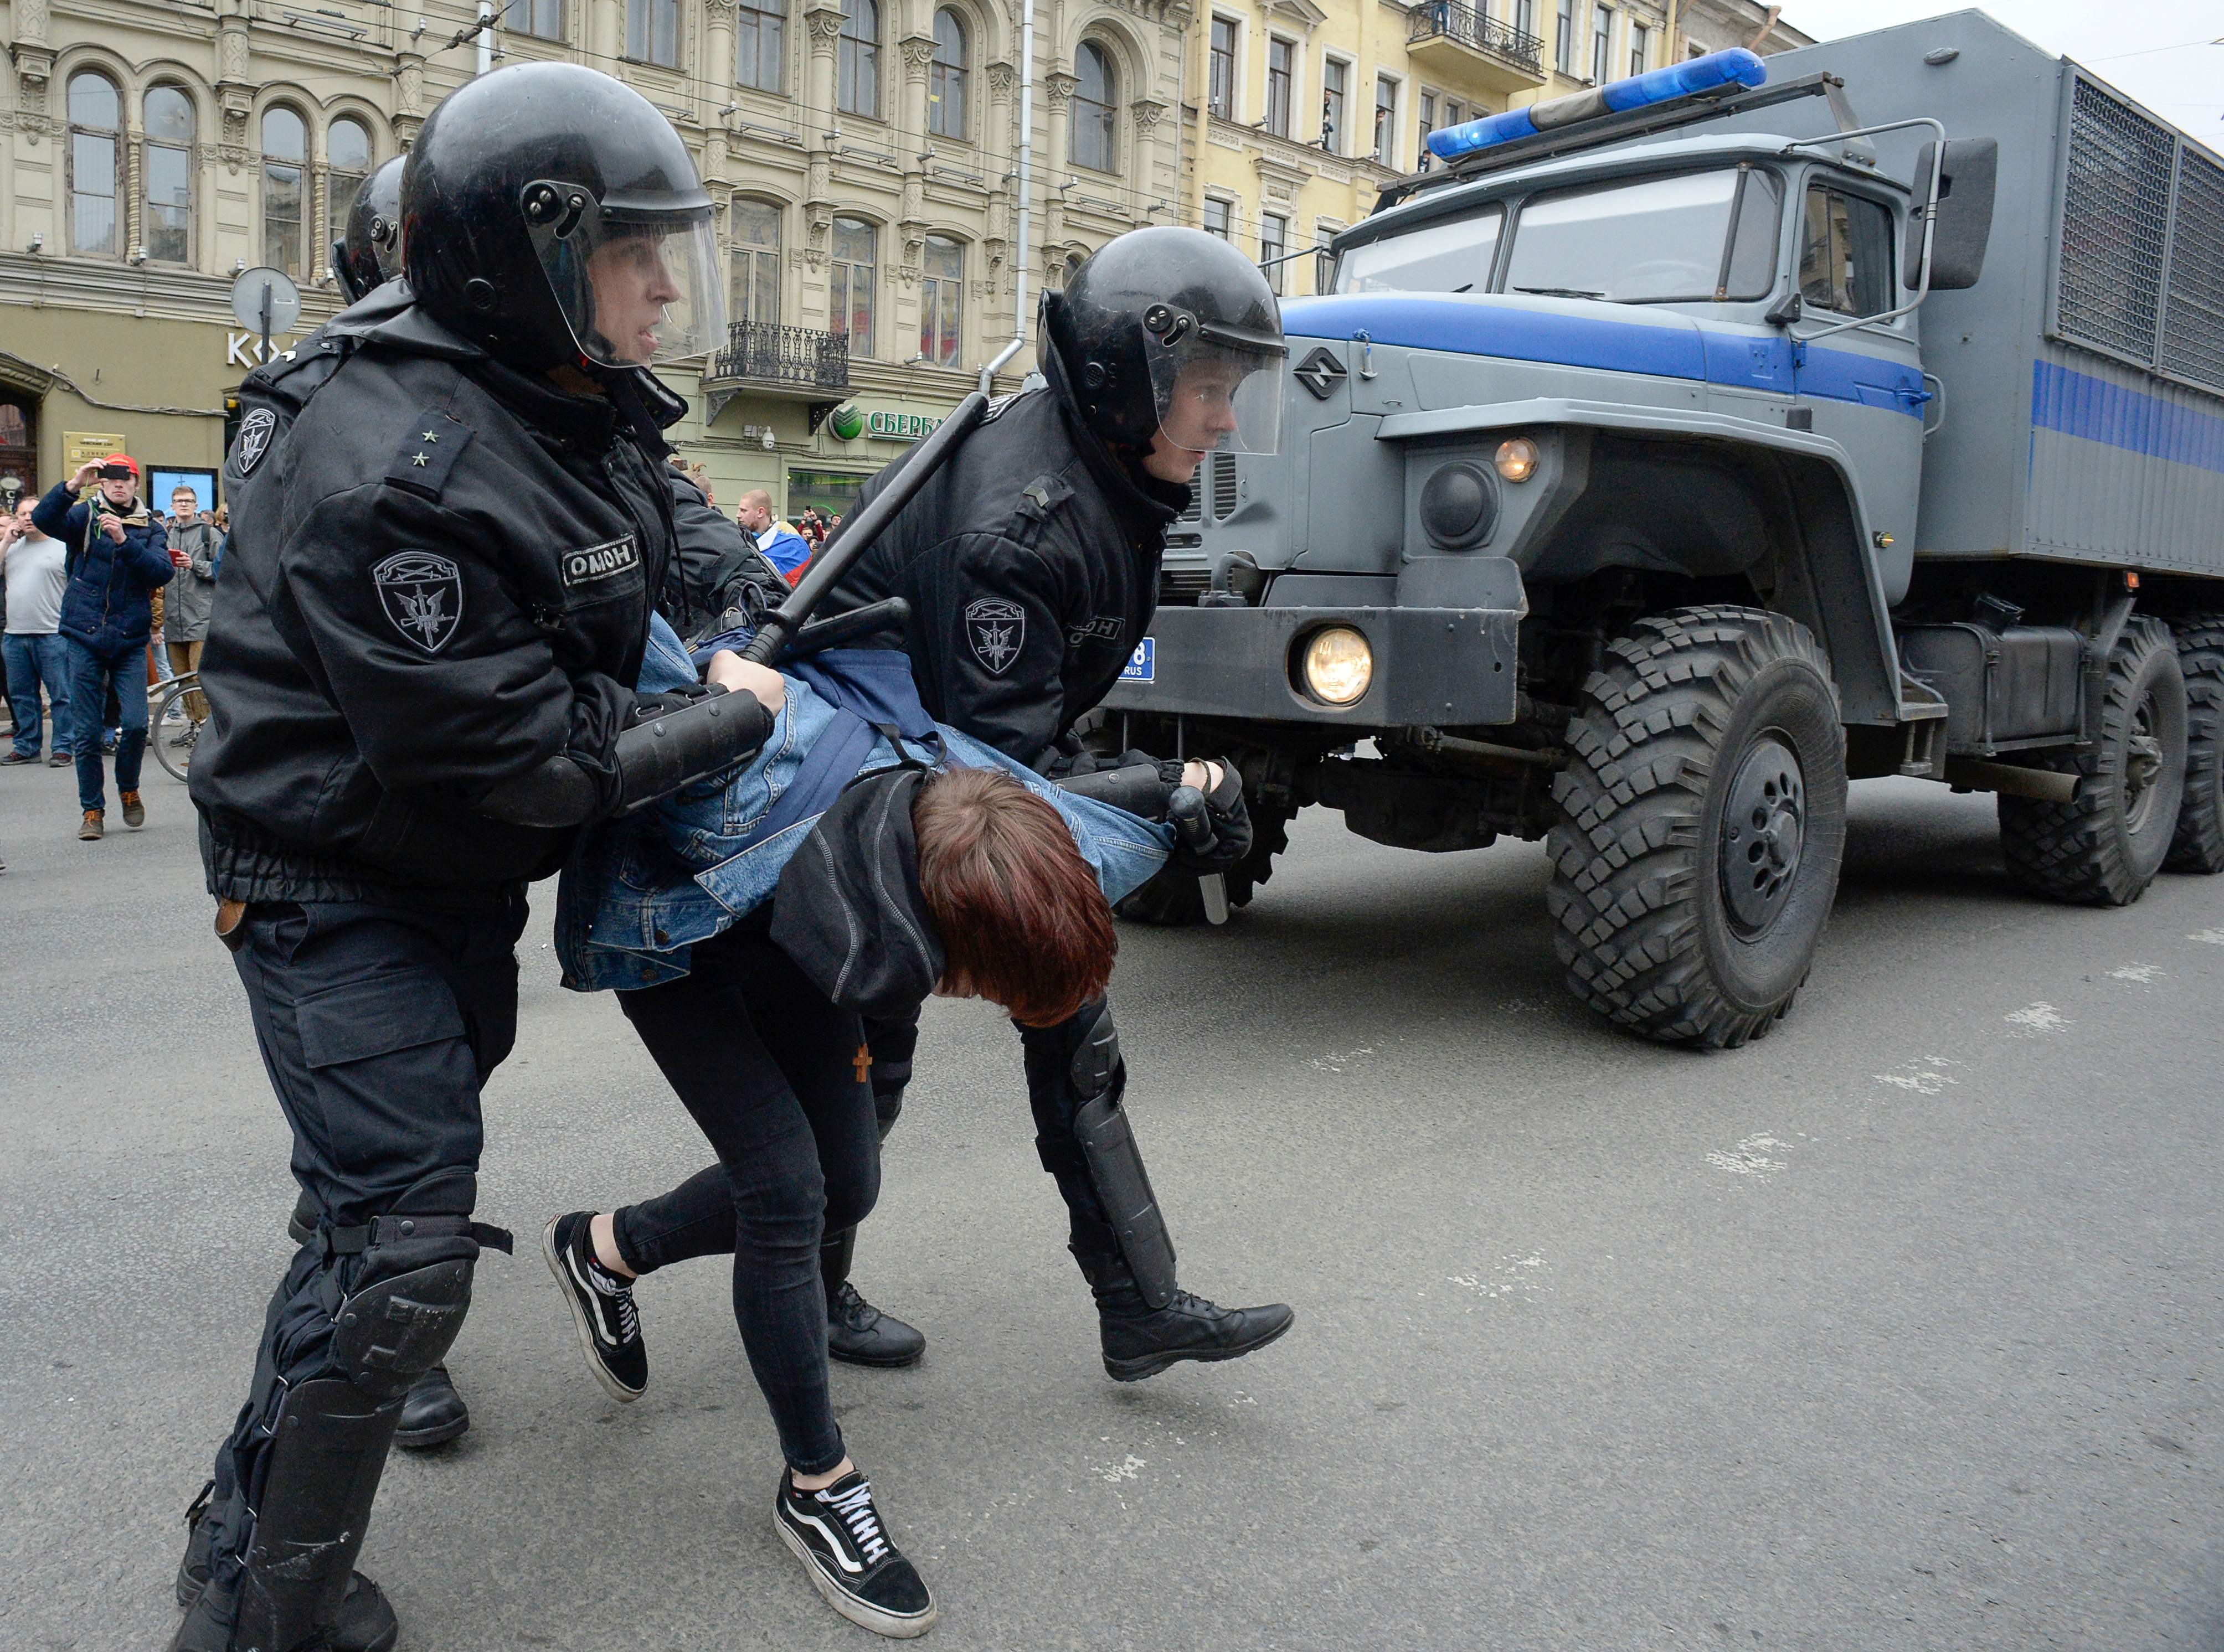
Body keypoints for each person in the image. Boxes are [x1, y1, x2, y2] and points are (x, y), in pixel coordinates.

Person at [168, 63, 757, 1652]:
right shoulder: (393, 460)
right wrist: (729, 716)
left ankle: (244, 1521)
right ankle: (256, 1613)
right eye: (638, 252)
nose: (666, 285)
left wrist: (736, 610)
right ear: (537, 253)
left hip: (436, 882)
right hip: (327, 883)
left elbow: (666, 530)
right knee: (400, 1253)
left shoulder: (556, 395)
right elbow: (519, 770)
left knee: (363, 1220)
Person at [606, 225, 1296, 1382]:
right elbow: (1001, 788)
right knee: (980, 1044)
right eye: (1208, 390)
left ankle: (1107, 1302)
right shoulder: (1017, 525)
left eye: (1234, 392)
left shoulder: (1110, 470)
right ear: (1128, 380)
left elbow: (1020, 732)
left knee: (896, 1081)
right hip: (847, 813)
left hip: (914, 774)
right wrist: (1171, 794)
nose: (1226, 420)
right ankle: (624, 1247)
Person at [545, 612, 1209, 1636]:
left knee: (847, 1184)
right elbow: (618, 648)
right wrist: (722, 660)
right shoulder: (747, 777)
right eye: (979, 985)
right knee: (786, 1190)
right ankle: (818, 1481)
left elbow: (1095, 826)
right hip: (680, 934)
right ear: (928, 931)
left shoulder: (978, 815)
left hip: (802, 923)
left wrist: (1187, 797)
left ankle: (605, 1248)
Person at [30, 454, 175, 840]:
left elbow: (162, 572)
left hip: (129, 639)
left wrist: (123, 540)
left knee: (135, 725)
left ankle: (129, 788)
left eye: (125, 478)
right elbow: (44, 521)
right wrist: (73, 484)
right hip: (84, 635)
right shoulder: (84, 515)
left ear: (135, 484)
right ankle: (92, 810)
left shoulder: (150, 527)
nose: (118, 484)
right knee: (87, 732)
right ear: (101, 483)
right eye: (109, 478)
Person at [1, 497, 75, 767]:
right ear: (16, 519)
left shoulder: (62, 547)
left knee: (62, 696)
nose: (28, 518)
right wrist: (7, 541)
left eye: (33, 513)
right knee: (21, 695)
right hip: (15, 634)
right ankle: (27, 746)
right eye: (22, 514)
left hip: (53, 634)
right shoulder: (11, 548)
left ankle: (63, 746)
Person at [164, 487, 219, 722]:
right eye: (179, 501)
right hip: (173, 619)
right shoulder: (165, 535)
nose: (183, 505)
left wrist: (194, 565)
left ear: (196, 505)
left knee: (199, 676)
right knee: (181, 678)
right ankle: (194, 724)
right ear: (172, 505)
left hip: (201, 616)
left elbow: (225, 569)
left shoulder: (209, 533)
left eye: (188, 501)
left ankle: (207, 726)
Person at [737, 487, 811, 585]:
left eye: (743, 511)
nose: (738, 515)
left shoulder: (793, 543)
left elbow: (805, 585)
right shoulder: (741, 540)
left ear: (760, 512)